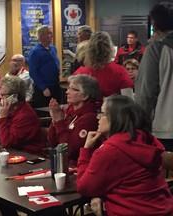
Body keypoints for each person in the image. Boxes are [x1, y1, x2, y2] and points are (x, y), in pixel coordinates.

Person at [76, 95, 173, 216]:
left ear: (116, 118)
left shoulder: (111, 151)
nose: (97, 117)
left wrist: (86, 151)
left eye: (102, 113)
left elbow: (84, 188)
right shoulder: (144, 139)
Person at [135, 1, 173, 152]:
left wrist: (138, 125)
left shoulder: (157, 48)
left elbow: (146, 92)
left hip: (166, 128)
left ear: (155, 25)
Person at [0, 75, 46, 156]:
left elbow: (7, 143)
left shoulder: (25, 115)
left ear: (14, 97)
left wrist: (3, 118)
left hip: (29, 157)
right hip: (14, 154)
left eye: (3, 95)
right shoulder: (10, 110)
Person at [47, 74, 100, 166]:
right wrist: (54, 120)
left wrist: (59, 121)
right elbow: (52, 142)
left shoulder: (89, 118)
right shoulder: (70, 112)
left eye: (73, 89)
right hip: (62, 162)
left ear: (85, 96)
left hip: (78, 166)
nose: (67, 92)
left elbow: (70, 149)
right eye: (68, 88)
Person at [73, 31, 134, 101]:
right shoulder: (120, 72)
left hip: (86, 111)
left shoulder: (79, 73)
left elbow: (73, 101)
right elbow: (129, 101)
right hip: (112, 111)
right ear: (110, 49)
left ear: (89, 50)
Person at [29, 25, 61, 108]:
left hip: (55, 85)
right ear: (41, 36)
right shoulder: (35, 51)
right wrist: (43, 88)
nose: (52, 36)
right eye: (49, 33)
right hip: (44, 88)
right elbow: (33, 72)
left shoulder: (53, 48)